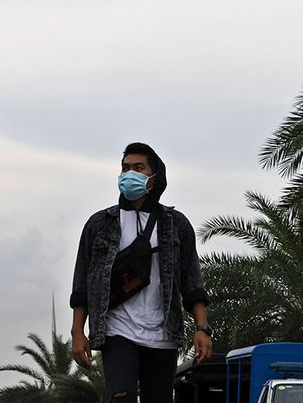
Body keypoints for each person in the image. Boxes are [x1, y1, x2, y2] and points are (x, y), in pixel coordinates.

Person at [69, 142, 212, 403]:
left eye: (138, 168)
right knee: (120, 398)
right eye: (125, 168)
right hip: (117, 332)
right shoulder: (99, 224)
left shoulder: (175, 224)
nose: (129, 174)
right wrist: (77, 332)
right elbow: (82, 284)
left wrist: (202, 328)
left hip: (163, 335)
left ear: (154, 176)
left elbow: (191, 280)